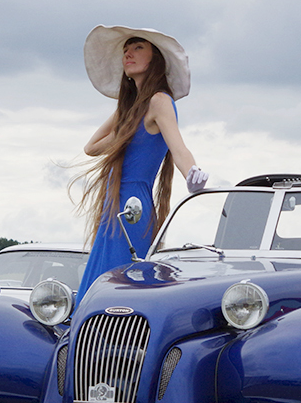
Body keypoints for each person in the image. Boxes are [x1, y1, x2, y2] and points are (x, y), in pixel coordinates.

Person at [75, 25, 208, 296]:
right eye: (126, 50)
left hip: (133, 205)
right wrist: (124, 124)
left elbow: (178, 146)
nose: (128, 54)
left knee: (121, 282)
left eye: (138, 48)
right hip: (114, 204)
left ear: (155, 59)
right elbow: (91, 147)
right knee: (103, 279)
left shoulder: (159, 101)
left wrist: (192, 173)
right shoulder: (131, 107)